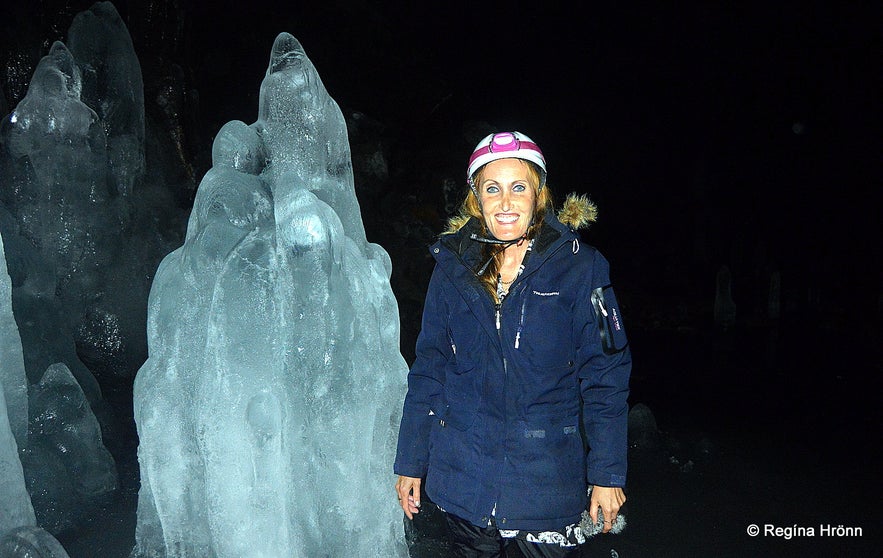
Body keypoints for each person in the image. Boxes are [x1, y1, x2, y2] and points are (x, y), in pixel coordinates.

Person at [394, 131, 631, 557]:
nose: (505, 202)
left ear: (538, 193)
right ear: (476, 200)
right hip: (464, 482)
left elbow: (606, 374)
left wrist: (608, 474)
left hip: (547, 487)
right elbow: (429, 367)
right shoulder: (451, 268)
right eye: (492, 189)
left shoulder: (581, 267)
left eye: (518, 187)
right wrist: (411, 461)